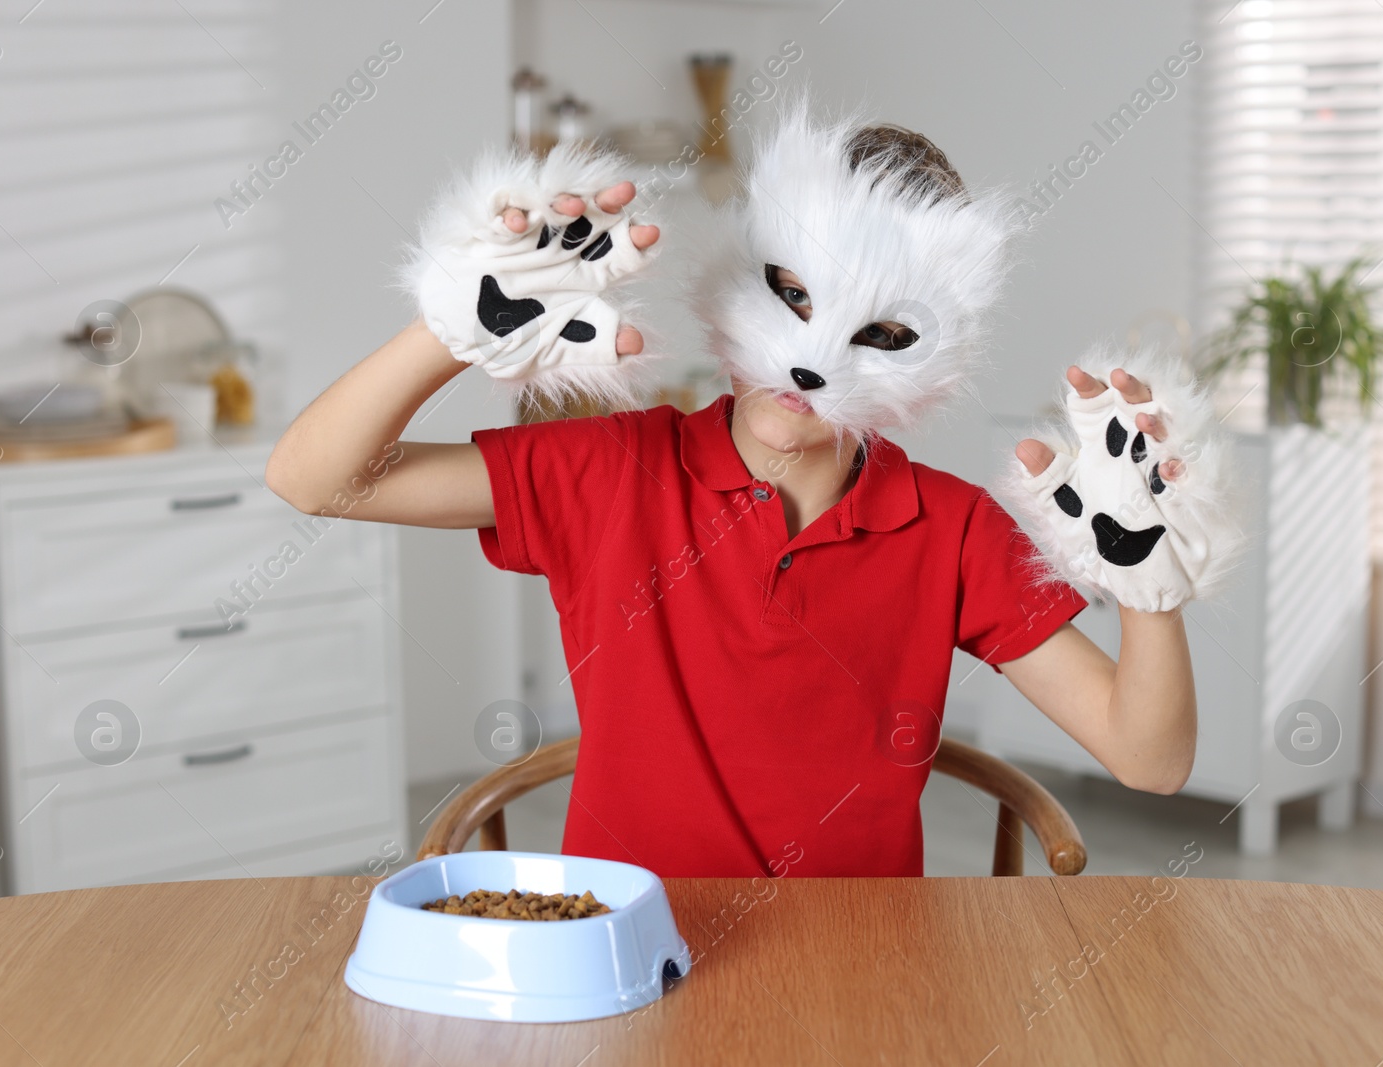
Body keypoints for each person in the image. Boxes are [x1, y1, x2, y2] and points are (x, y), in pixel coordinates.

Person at [267, 106, 1242, 877]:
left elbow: (1147, 759)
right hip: (625, 958)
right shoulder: (609, 468)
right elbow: (312, 479)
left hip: (860, 970)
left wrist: (1151, 592)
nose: (809, 357)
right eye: (793, 293)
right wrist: (451, 329)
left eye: (873, 327)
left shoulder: (948, 528)